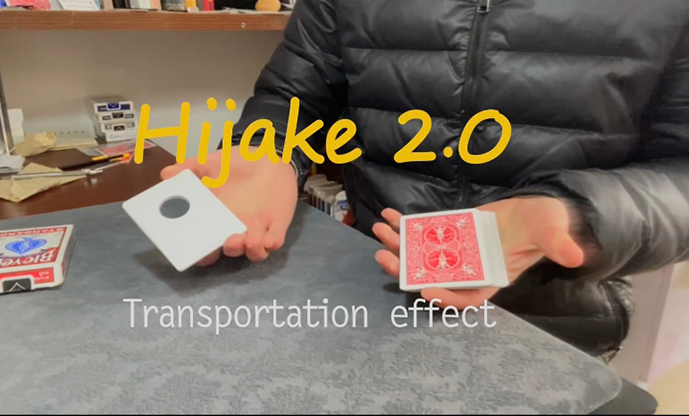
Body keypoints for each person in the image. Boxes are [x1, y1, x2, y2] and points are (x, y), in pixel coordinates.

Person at [161, 0, 689, 359]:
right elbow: (292, 93)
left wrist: (572, 214)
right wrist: (267, 152)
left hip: (555, 329)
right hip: (369, 299)